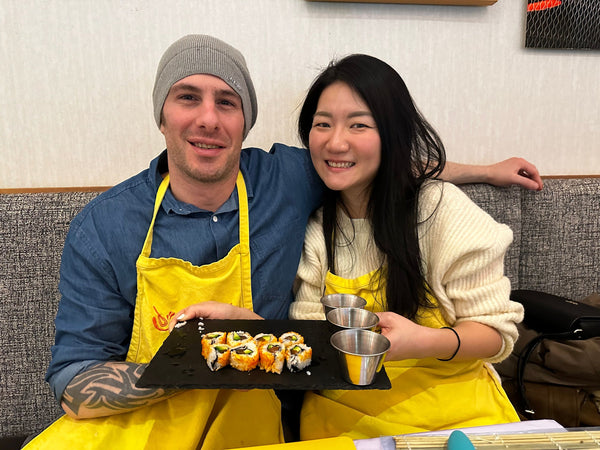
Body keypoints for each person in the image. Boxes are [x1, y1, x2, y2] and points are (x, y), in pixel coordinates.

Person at [26, 35, 537, 449]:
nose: (208, 118)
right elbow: (74, 378)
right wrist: (196, 362)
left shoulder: (286, 181)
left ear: (246, 121)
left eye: (227, 102)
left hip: (253, 411)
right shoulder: (104, 225)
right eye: (187, 98)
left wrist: (486, 172)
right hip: (139, 417)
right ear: (161, 115)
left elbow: (376, 160)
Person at [289, 54, 525, 440]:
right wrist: (243, 322)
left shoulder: (440, 211)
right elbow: (309, 336)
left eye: (359, 124)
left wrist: (423, 341)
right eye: (322, 124)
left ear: (392, 134)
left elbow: (497, 334)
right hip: (344, 415)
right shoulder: (318, 226)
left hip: (455, 415)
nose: (335, 142)